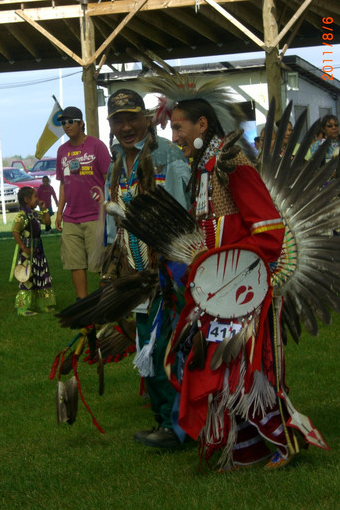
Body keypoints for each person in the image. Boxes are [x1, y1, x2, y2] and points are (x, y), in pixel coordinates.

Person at [144, 77, 326, 471]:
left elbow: (267, 226)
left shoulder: (230, 160)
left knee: (249, 365)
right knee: (219, 364)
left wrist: (240, 271)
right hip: (219, 284)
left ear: (202, 125)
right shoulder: (205, 166)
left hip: (243, 284)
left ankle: (284, 440)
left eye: (178, 127)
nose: (173, 135)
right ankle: (242, 444)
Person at [105, 88, 191, 448]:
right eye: (118, 120)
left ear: (145, 119)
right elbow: (115, 227)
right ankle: (164, 420)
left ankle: (181, 425)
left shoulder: (165, 156)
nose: (125, 126)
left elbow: (180, 217)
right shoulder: (116, 165)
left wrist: (172, 270)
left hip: (167, 271)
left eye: (131, 118)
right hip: (135, 274)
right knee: (146, 347)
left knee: (166, 348)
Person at [55, 106, 111, 299]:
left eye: (71, 122)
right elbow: (63, 183)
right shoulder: (62, 151)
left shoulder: (97, 146)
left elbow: (107, 179)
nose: (67, 126)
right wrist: (59, 212)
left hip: (95, 215)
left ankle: (106, 303)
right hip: (71, 217)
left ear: (81, 124)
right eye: (63, 123)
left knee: (101, 264)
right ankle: (83, 305)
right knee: (75, 263)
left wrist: (109, 207)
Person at [12, 186, 56, 316]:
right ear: (26, 199)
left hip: (38, 251)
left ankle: (42, 304)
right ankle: (22, 308)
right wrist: (23, 247)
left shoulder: (35, 214)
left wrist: (44, 209)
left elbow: (47, 222)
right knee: (27, 278)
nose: (37, 199)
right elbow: (15, 231)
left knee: (41, 276)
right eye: (35, 197)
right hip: (27, 253)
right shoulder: (22, 215)